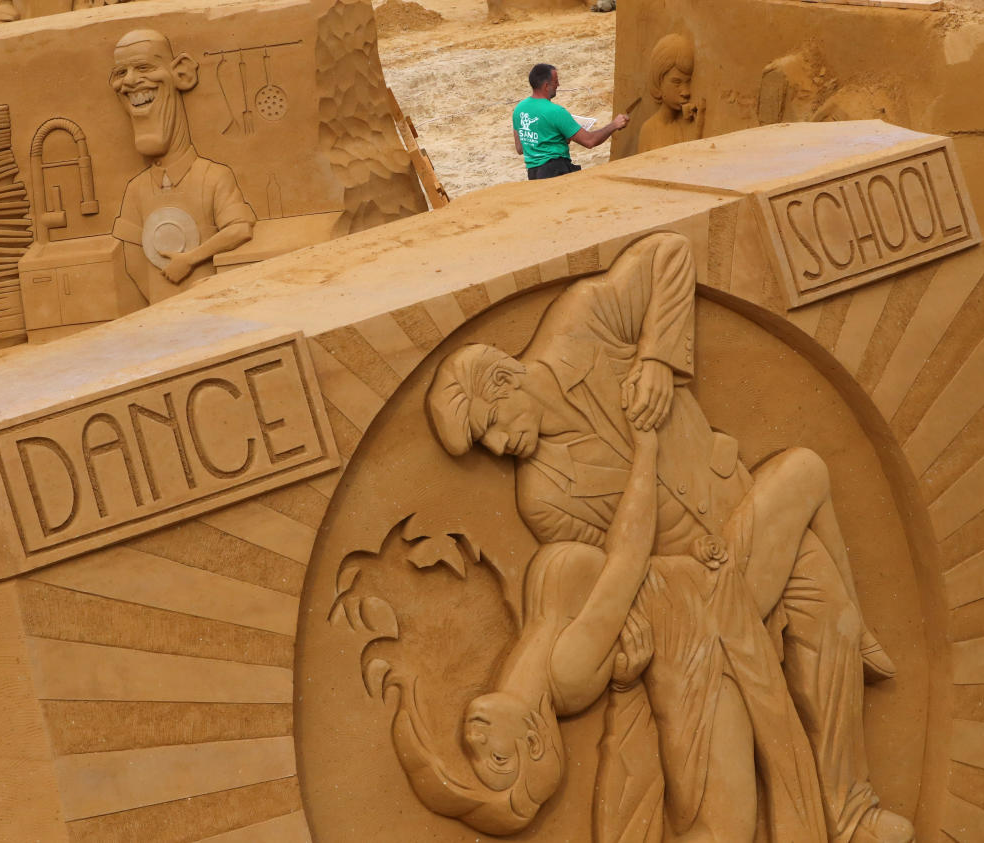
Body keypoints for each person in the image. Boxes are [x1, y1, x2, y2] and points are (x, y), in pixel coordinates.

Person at [425, 232, 912, 843]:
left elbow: (668, 254)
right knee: (804, 478)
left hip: (742, 510)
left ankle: (852, 814)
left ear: (505, 381)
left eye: (489, 426)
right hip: (699, 594)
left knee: (829, 622)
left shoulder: (582, 324)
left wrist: (657, 359)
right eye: (483, 445)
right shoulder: (542, 497)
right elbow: (623, 573)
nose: (498, 447)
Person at [388, 427, 829, 840]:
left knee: (806, 473)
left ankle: (854, 641)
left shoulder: (529, 656)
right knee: (806, 471)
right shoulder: (567, 672)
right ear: (535, 741)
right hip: (703, 624)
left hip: (699, 594)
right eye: (498, 759)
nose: (474, 741)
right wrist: (646, 447)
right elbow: (628, 556)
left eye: (477, 756)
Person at [109, 29, 256, 304]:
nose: (128, 81)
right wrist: (163, 298)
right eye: (120, 73)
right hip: (163, 315)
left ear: (182, 73)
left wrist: (189, 260)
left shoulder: (213, 177)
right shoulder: (136, 190)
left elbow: (240, 229)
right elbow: (131, 260)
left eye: (143, 67)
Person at [513, 63, 629, 180]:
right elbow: (590, 141)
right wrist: (614, 125)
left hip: (533, 173)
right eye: (556, 81)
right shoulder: (556, 111)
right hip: (555, 171)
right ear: (546, 86)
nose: (558, 84)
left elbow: (520, 148)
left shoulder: (519, 109)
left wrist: (556, 138)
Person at [637, 34, 706, 153]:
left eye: (688, 82)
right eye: (676, 82)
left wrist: (698, 129)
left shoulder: (683, 126)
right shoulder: (649, 130)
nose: (686, 92)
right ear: (659, 82)